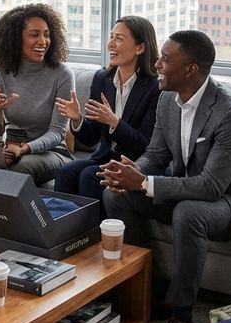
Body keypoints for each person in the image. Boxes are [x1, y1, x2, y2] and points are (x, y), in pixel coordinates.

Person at [99, 30, 231, 323]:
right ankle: (146, 295)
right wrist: (131, 175)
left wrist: (144, 183)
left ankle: (181, 318)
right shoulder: (167, 99)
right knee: (117, 197)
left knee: (188, 213)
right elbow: (156, 154)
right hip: (188, 190)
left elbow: (210, 186)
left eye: (166, 59)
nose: (157, 64)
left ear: (191, 69)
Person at [54, 16, 160, 211]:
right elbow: (91, 136)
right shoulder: (103, 78)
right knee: (66, 172)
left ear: (140, 48)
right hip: (104, 156)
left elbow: (146, 144)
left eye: (119, 38)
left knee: (89, 177)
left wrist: (115, 123)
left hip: (134, 163)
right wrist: (77, 120)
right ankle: (62, 233)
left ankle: (96, 237)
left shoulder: (155, 87)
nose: (110, 43)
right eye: (111, 37)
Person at [0, 4, 74, 186]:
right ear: (16, 38)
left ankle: (8, 215)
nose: (43, 41)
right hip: (10, 145)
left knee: (21, 169)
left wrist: (25, 149)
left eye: (46, 34)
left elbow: (57, 132)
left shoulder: (62, 74)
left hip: (52, 151)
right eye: (34, 35)